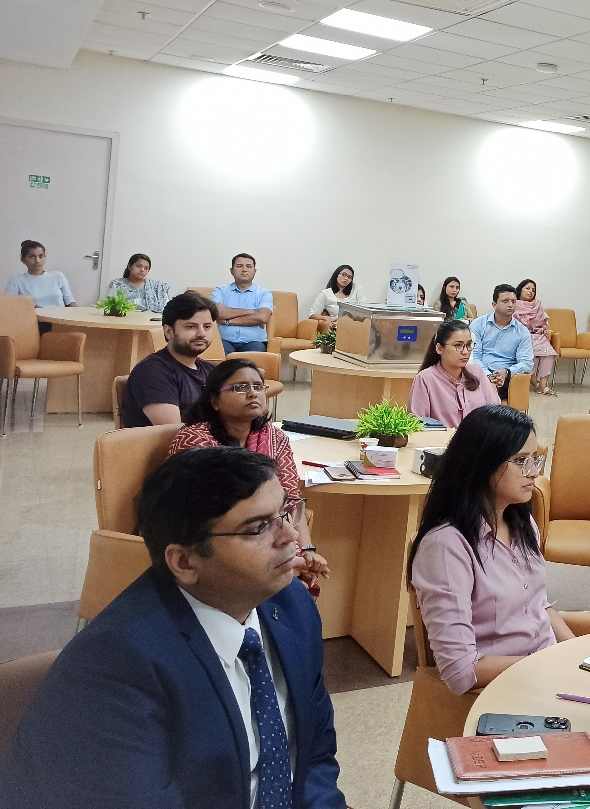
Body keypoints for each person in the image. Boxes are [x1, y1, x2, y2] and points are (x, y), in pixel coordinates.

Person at [0, 445, 348, 809]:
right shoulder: (116, 666)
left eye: (285, 512)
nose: (290, 535)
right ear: (184, 562)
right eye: (259, 527)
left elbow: (313, 757)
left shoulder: (292, 606)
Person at [408, 405, 576, 696]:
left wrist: (575, 654)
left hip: (547, 674)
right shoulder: (446, 546)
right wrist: (548, 664)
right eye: (521, 461)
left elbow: (538, 604)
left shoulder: (522, 523)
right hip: (502, 690)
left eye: (535, 459)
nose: (534, 472)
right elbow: (461, 671)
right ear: (483, 463)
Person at [166, 359, 329, 591]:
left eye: (258, 387)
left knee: (300, 583)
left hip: (268, 535)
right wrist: (284, 559)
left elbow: (291, 499)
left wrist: (307, 551)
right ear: (214, 401)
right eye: (240, 387)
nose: (252, 393)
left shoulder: (274, 437)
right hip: (211, 540)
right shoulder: (196, 440)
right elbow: (216, 513)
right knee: (289, 583)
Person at [120, 291, 218, 428]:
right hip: (172, 442)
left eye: (207, 327)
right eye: (191, 327)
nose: (201, 334)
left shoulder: (212, 370)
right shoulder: (152, 371)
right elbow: (173, 432)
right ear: (168, 331)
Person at [408, 320, 500, 428]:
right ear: (439, 348)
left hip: (478, 438)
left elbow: (496, 413)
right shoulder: (426, 378)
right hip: (442, 438)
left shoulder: (477, 372)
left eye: (469, 345)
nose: (465, 351)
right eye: (458, 345)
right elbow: (417, 422)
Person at [471, 284, 533, 403]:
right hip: (479, 373)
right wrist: (487, 375)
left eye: (513, 301)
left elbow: (527, 363)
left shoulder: (522, 331)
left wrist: (507, 372)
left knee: (490, 389)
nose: (510, 305)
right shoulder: (478, 324)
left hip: (506, 378)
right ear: (494, 304)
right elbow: (474, 356)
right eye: (505, 301)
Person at [212, 253, 273, 354]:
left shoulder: (264, 293)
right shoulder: (220, 291)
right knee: (220, 357)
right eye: (239, 266)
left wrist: (228, 321)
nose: (244, 270)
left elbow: (262, 318)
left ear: (255, 271)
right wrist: (251, 312)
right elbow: (218, 313)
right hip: (224, 340)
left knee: (252, 360)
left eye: (248, 266)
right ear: (231, 271)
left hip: (254, 342)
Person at [514, 278, 559, 397]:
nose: (531, 292)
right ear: (520, 290)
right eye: (527, 288)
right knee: (528, 357)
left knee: (549, 353)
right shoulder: (513, 304)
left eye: (533, 290)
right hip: (521, 337)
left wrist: (542, 329)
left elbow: (544, 324)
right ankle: (536, 383)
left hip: (537, 336)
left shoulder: (537, 305)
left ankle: (543, 385)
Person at [5, 240, 75, 307]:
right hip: (32, 315)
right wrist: (32, 308)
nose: (37, 260)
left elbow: (70, 302)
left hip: (60, 315)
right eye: (32, 257)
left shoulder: (58, 276)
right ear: (23, 259)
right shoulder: (16, 281)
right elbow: (8, 306)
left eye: (41, 256)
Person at [107, 253, 171, 312]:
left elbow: (167, 310)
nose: (142, 270)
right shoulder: (116, 284)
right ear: (129, 266)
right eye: (139, 266)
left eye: (146, 268)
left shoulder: (158, 287)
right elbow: (111, 308)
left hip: (151, 320)